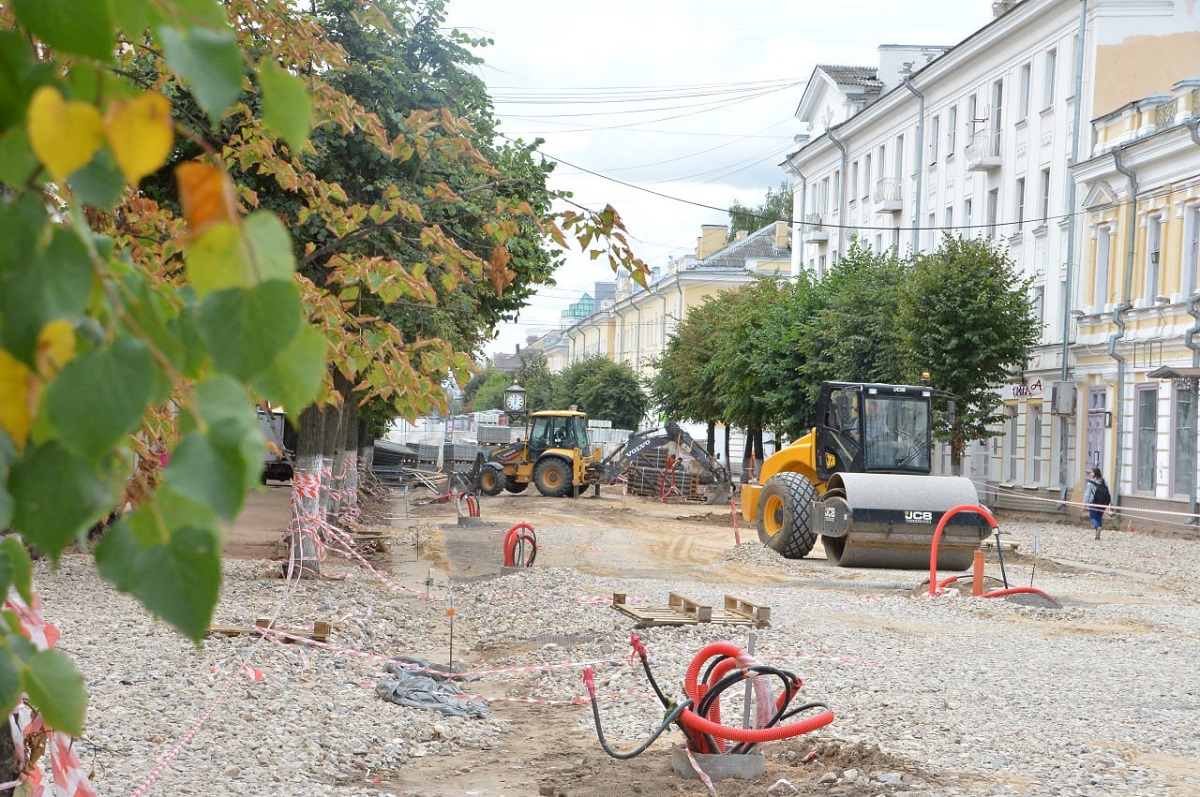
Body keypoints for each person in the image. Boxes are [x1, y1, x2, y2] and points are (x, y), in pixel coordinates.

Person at [1083, 467, 1111, 540]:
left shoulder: (1090, 483)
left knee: (1093, 518)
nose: (1090, 473)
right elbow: (1108, 492)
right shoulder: (1104, 481)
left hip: (1093, 502)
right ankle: (1098, 532)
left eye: (1091, 472)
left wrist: (1085, 503)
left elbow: (1087, 494)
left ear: (1094, 473)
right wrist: (1111, 503)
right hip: (1103, 503)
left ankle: (1097, 527)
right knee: (1099, 517)